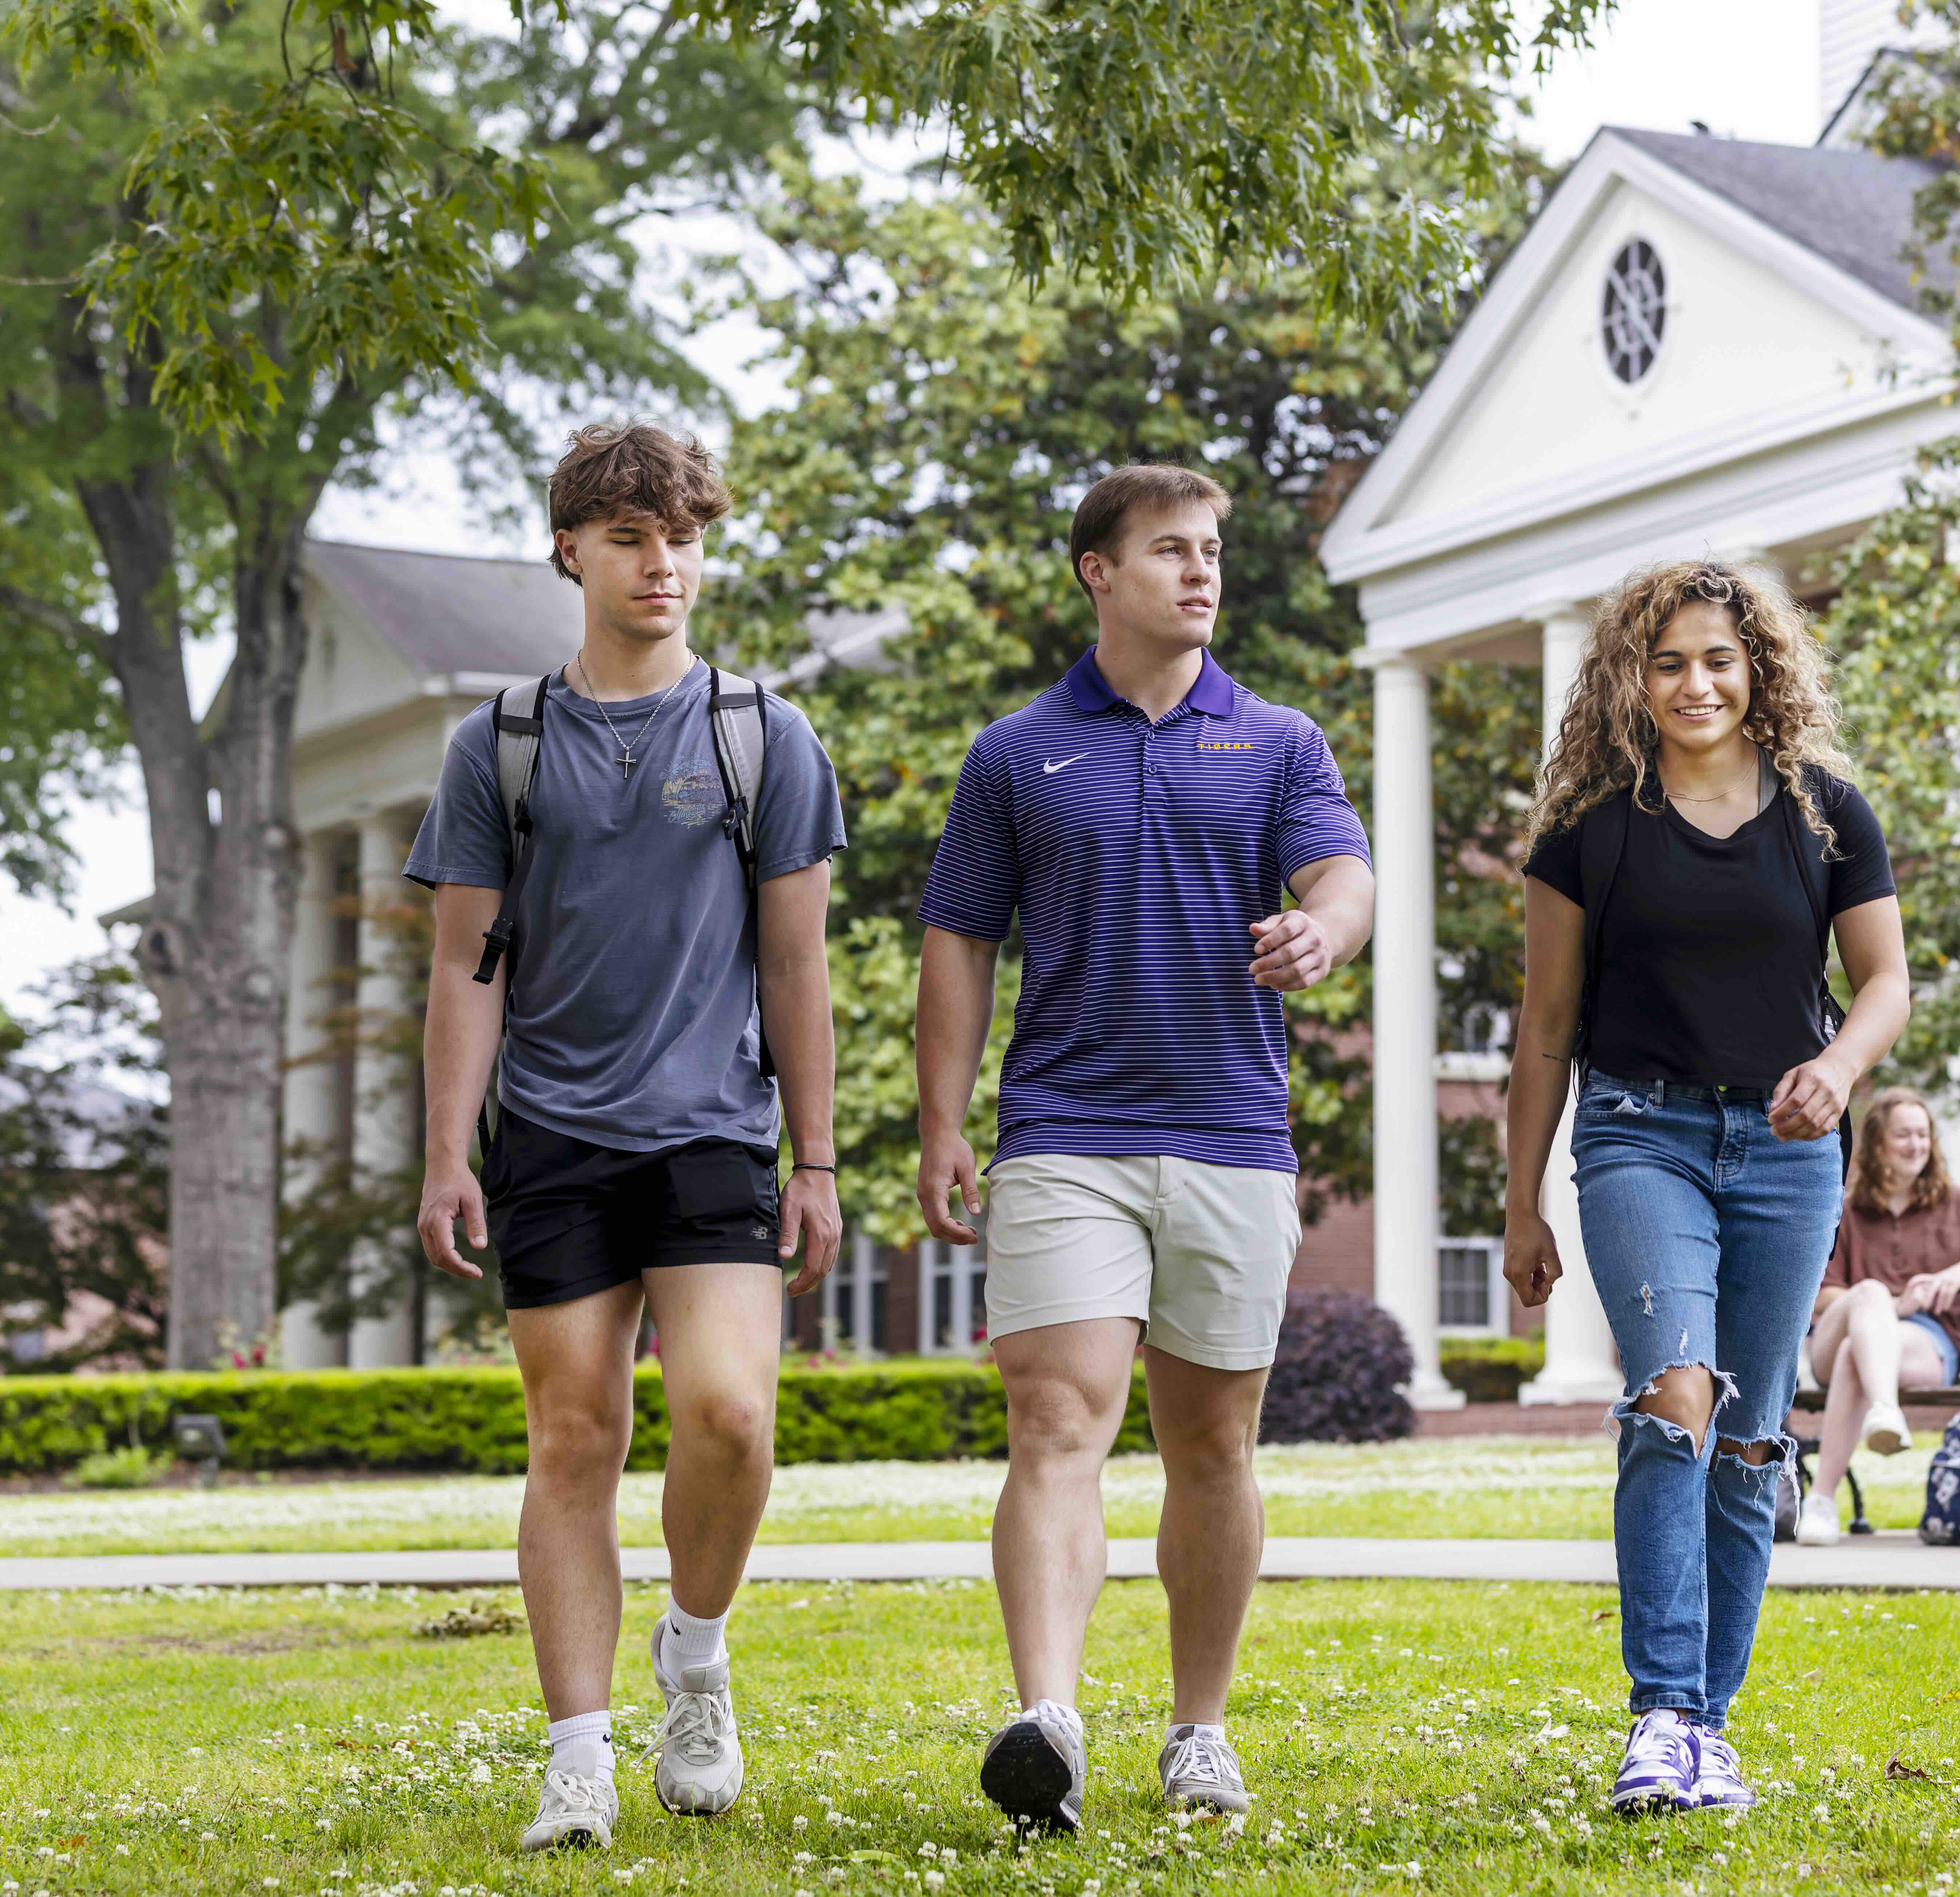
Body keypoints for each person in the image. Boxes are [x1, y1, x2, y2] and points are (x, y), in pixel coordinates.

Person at [914, 464, 1375, 1831]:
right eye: (1169, 549)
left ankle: (1198, 1728)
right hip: (1065, 1131)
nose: (1200, 571)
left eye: (1211, 549)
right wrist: (943, 1120)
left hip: (1231, 1133)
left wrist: (1326, 930)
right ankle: (1047, 1719)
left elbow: (1341, 874)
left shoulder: (1277, 739)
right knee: (1055, 1418)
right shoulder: (1013, 753)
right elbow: (960, 941)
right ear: (1094, 573)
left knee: (1214, 1442)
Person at [411, 423, 848, 1853]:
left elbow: (797, 966)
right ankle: (578, 1753)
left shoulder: (761, 733)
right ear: (572, 551)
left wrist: (819, 1158)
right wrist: (445, 1155)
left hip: (715, 1132)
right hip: (551, 1138)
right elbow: (464, 962)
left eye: (682, 537)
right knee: (575, 1436)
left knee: (729, 1414)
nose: (664, 564)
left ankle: (697, 1653)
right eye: (630, 538)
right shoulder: (500, 744)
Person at [1506, 559, 1910, 1816]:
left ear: (1758, 671)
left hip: (1788, 1157)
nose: (1695, 683)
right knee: (1673, 1396)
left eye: (1718, 659)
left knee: (1748, 1442)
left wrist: (1839, 1069)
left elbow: (1885, 983)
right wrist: (1520, 1200)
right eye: (1669, 660)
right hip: (1640, 1133)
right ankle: (1659, 1717)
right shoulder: (1587, 834)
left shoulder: (1828, 814)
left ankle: (1710, 1729)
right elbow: (1544, 1027)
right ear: (1633, 675)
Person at [1796, 1089, 1960, 1545]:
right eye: (1902, 1134)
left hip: (1925, 1344)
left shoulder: (1954, 1203)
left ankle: (1821, 1503)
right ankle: (1884, 1409)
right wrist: (1891, 1307)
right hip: (1837, 1334)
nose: (1915, 1144)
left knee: (1857, 1352)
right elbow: (1823, 1297)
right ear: (1878, 1145)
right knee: (1866, 1298)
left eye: (1922, 1134)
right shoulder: (1846, 1209)